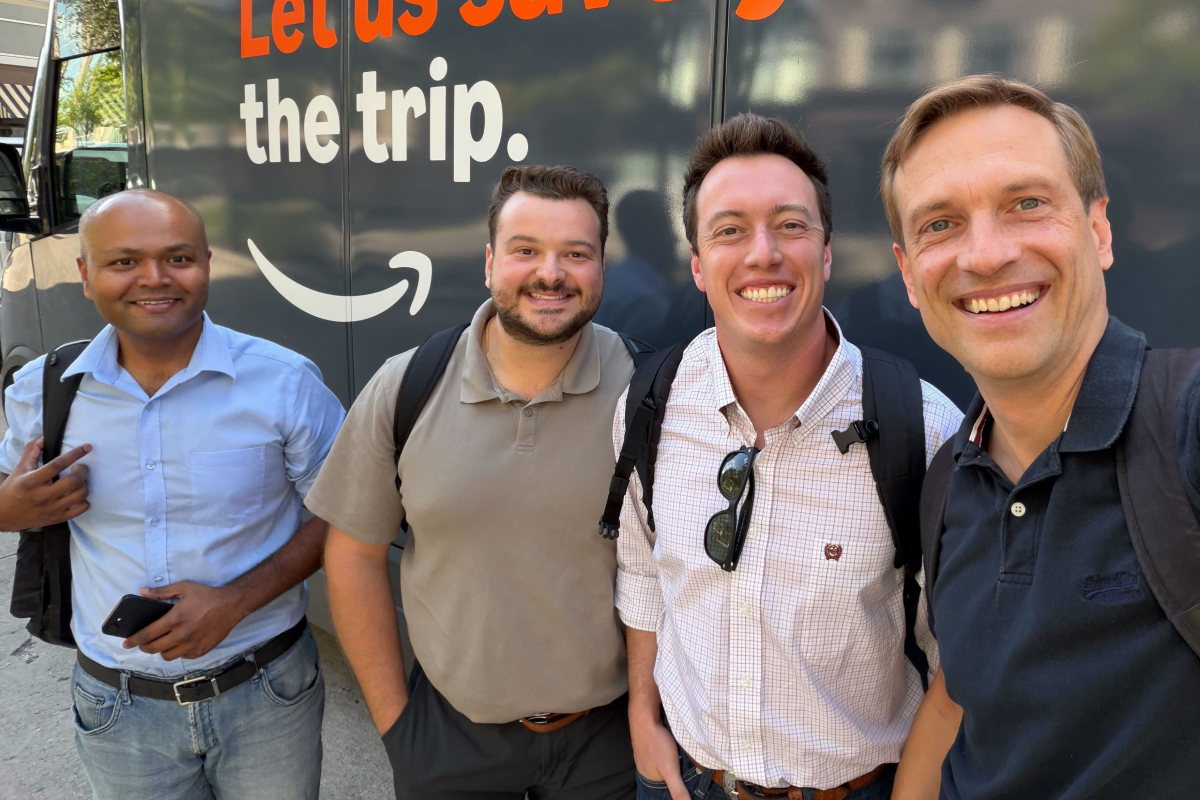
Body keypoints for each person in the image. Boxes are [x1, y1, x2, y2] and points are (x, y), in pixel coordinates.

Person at [614, 113, 963, 799]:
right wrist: (641, 715)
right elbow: (641, 567)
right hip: (685, 781)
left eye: (791, 225)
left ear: (827, 253)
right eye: (729, 230)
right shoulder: (647, 406)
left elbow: (957, 656)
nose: (763, 253)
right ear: (698, 266)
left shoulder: (923, 429)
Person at [883, 76, 1200, 798]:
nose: (985, 254)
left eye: (1026, 203)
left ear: (1099, 231)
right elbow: (955, 699)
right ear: (908, 276)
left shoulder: (1186, 425)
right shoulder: (948, 480)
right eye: (940, 224)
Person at [307, 165, 639, 799]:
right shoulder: (406, 386)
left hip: (610, 745)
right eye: (525, 250)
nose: (550, 273)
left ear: (601, 267)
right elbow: (352, 555)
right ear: (490, 263)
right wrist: (398, 727)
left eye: (576, 253)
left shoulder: (647, 390)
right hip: (450, 740)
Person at [0, 189, 345, 799]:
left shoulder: (284, 383)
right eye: (124, 261)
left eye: (178, 258)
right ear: (86, 275)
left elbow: (345, 514)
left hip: (267, 689)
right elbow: (7, 486)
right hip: (117, 703)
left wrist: (237, 601)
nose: (154, 278)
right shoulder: (43, 389)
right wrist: (8, 511)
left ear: (207, 264)